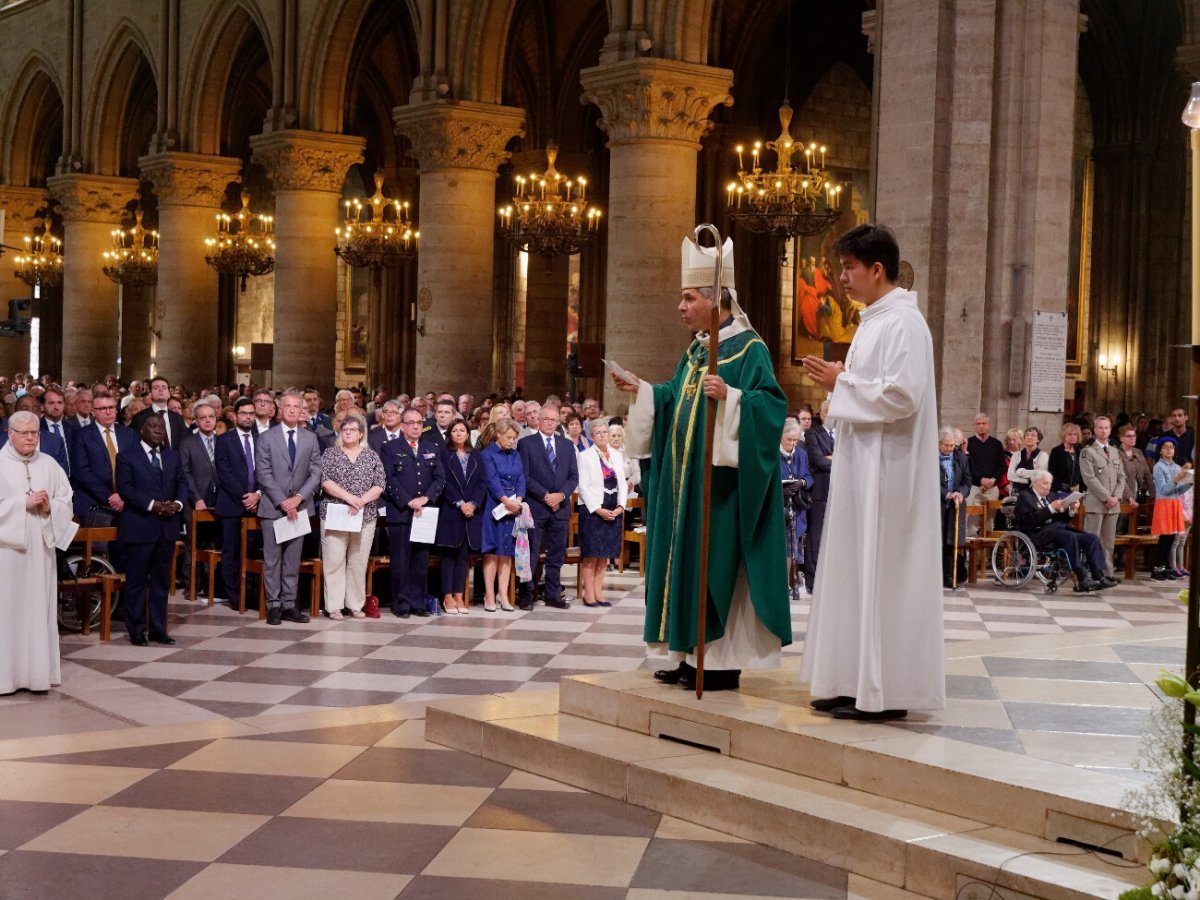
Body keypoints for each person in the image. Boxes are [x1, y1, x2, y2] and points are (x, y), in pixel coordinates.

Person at [617, 235, 789, 693]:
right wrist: (646, 391)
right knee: (683, 567)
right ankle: (686, 656)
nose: (680, 306)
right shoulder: (698, 349)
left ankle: (717, 664)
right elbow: (677, 397)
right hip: (684, 487)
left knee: (715, 571)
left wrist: (732, 398)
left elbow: (771, 408)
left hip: (722, 493)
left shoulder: (748, 350)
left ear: (715, 300)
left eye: (688, 297)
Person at [799, 223, 944, 720]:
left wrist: (843, 379)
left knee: (881, 574)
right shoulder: (873, 320)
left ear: (876, 270)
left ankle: (883, 693)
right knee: (854, 571)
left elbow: (904, 396)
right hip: (863, 467)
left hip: (891, 471)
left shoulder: (903, 322)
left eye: (849, 268)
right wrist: (845, 381)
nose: (841, 277)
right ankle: (852, 680)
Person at [0, 411, 74, 694]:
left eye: (35, 433)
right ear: (10, 433)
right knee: (8, 612)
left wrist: (48, 507)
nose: (30, 438)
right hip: (7, 554)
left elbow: (66, 500)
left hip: (40, 553)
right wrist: (22, 503)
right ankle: (6, 677)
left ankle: (37, 675)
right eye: (24, 432)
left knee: (38, 608)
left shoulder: (49, 464)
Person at [116, 415, 187, 645]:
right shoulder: (127, 456)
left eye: (161, 427)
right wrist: (152, 505)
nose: (158, 431)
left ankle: (158, 628)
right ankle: (136, 629)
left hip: (167, 527)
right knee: (137, 581)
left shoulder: (172, 456)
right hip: (140, 526)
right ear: (142, 431)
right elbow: (126, 488)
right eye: (153, 426)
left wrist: (178, 504)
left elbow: (182, 484)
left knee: (161, 581)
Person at [256, 390, 321, 625]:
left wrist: (299, 497)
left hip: (300, 507)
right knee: (273, 559)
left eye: (297, 406)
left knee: (292, 559)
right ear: (279, 410)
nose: (293, 410)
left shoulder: (310, 438)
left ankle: (288, 604)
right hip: (273, 507)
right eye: (288, 406)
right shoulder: (266, 438)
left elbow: (316, 471)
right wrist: (283, 500)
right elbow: (263, 473)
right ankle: (273, 605)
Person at [319, 413, 385, 619]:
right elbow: (325, 481)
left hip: (364, 515)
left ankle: (355, 604)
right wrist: (349, 498)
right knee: (334, 560)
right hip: (336, 512)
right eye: (344, 429)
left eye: (353, 430)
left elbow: (380, 483)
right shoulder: (330, 454)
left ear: (361, 434)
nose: (348, 433)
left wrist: (362, 500)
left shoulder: (371, 455)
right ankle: (334, 606)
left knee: (358, 561)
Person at [380, 407, 445, 617]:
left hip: (424, 512)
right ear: (402, 425)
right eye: (410, 422)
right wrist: (408, 501)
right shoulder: (390, 448)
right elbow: (389, 480)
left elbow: (439, 478)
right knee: (401, 561)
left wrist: (426, 498)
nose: (416, 426)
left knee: (420, 560)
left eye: (419, 422)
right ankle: (402, 604)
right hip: (401, 512)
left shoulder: (431, 447)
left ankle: (418, 603)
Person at [516, 402, 578, 611]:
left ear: (558, 422)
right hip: (536, 506)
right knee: (532, 553)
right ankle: (526, 594)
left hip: (560, 508)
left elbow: (573, 477)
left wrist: (560, 495)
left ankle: (552, 594)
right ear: (538, 420)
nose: (550, 423)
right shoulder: (526, 444)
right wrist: (545, 495)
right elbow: (524, 477)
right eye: (546, 419)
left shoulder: (567, 445)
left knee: (556, 555)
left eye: (554, 420)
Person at [1016, 470, 1116, 592]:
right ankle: (1082, 578)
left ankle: (1098, 576)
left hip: (1059, 530)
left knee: (1091, 538)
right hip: (1038, 533)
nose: (1048, 487)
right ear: (1035, 482)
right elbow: (1029, 520)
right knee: (1069, 537)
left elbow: (1062, 519)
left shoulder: (1052, 496)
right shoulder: (1025, 496)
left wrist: (1071, 509)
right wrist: (1051, 508)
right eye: (1044, 483)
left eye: (1049, 483)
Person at [436, 419, 487, 614]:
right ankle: (447, 596)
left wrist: (473, 504)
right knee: (449, 554)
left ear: (468, 434)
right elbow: (443, 481)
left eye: (462, 430)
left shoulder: (476, 455)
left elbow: (483, 482)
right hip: (451, 510)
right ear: (450, 434)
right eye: (454, 430)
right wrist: (459, 503)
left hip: (471, 512)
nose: (458, 433)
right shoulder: (443, 454)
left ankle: (459, 593)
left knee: (464, 557)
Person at [213, 397, 261, 605]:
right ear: (236, 416)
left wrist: (257, 494)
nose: (248, 417)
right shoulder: (224, 440)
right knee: (231, 551)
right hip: (232, 504)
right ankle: (234, 595)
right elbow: (224, 473)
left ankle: (249, 593)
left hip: (257, 504)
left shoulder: (262, 439)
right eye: (244, 413)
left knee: (251, 551)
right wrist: (245, 496)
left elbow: (266, 470)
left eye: (252, 413)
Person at [577, 418, 626, 607]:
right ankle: (588, 594)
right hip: (593, 510)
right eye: (598, 433)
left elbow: (622, 482)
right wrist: (598, 510)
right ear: (591, 436)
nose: (602, 436)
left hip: (614, 508)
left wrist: (621, 506)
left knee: (605, 554)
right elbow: (584, 486)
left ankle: (599, 593)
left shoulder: (616, 454)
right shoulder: (585, 456)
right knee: (591, 554)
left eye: (605, 432)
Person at [480, 419, 524, 611]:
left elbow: (521, 478)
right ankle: (489, 595)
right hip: (494, 505)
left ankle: (503, 595)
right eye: (508, 437)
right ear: (498, 434)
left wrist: (519, 500)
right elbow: (492, 480)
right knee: (492, 552)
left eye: (514, 438)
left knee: (507, 553)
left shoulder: (515, 454)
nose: (511, 441)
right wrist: (506, 501)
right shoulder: (487, 454)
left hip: (514, 506)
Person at [1080, 415, 1125, 578]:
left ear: (1110, 430)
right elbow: (1089, 478)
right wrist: (1107, 497)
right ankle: (1092, 572)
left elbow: (1121, 477)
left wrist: (1117, 497)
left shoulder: (1114, 451)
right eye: (1100, 427)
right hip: (1097, 502)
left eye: (1106, 428)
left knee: (1109, 542)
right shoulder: (1088, 452)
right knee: (1092, 540)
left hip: (1113, 505)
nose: (1103, 430)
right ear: (1095, 430)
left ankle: (1108, 572)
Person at [803, 399, 835, 594]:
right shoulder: (812, 434)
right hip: (820, 493)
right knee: (816, 537)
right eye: (829, 413)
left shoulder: (843, 435)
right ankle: (812, 579)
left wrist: (832, 458)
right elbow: (819, 460)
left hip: (839, 492)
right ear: (822, 414)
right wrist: (837, 459)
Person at [779, 417, 811, 598]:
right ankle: (781, 583)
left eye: (795, 440)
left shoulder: (801, 454)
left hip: (796, 508)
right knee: (782, 546)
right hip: (778, 506)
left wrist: (802, 482)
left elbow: (808, 475)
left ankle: (790, 583)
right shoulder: (774, 453)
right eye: (788, 440)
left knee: (792, 547)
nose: (792, 443)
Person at [1152, 437, 1192, 580]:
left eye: (1172, 447)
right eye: (1166, 447)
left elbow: (1177, 491)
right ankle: (1157, 568)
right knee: (1164, 537)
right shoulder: (1158, 467)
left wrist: (1188, 483)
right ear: (1161, 451)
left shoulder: (1176, 467)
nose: (1169, 449)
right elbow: (1164, 489)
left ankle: (1166, 567)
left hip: (1174, 503)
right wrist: (1176, 480)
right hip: (1164, 503)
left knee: (1172, 537)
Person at [938, 426, 971, 588]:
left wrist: (959, 493)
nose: (950, 449)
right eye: (946, 445)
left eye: (952, 445)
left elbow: (967, 481)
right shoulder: (931, 458)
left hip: (956, 505)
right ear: (939, 444)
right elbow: (928, 482)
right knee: (939, 541)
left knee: (952, 542)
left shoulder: (961, 458)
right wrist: (947, 494)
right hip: (938, 505)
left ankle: (950, 576)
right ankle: (937, 576)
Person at [1006, 427, 1049, 497]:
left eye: (1032, 435)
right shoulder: (1016, 455)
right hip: (1016, 494)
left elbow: (1040, 476)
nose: (1029, 437)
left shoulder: (1043, 455)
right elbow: (1010, 476)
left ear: (1038, 439)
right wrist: (1028, 480)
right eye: (1027, 435)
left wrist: (1020, 471)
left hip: (1034, 495)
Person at [1048, 422, 1084, 493]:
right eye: (1070, 434)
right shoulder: (1056, 451)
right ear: (1064, 435)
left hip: (1077, 490)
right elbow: (1052, 473)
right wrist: (1059, 489)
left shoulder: (1080, 451)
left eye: (1075, 435)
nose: (1073, 437)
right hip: (1060, 490)